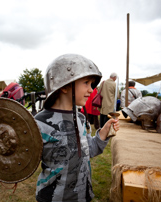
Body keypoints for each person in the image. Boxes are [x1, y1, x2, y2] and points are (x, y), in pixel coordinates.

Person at [34, 54, 119, 202]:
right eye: (86, 82)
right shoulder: (40, 123)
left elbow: (87, 151)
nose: (91, 90)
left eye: (92, 84)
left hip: (82, 196)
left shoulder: (80, 118)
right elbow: (23, 159)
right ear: (65, 85)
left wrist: (103, 133)